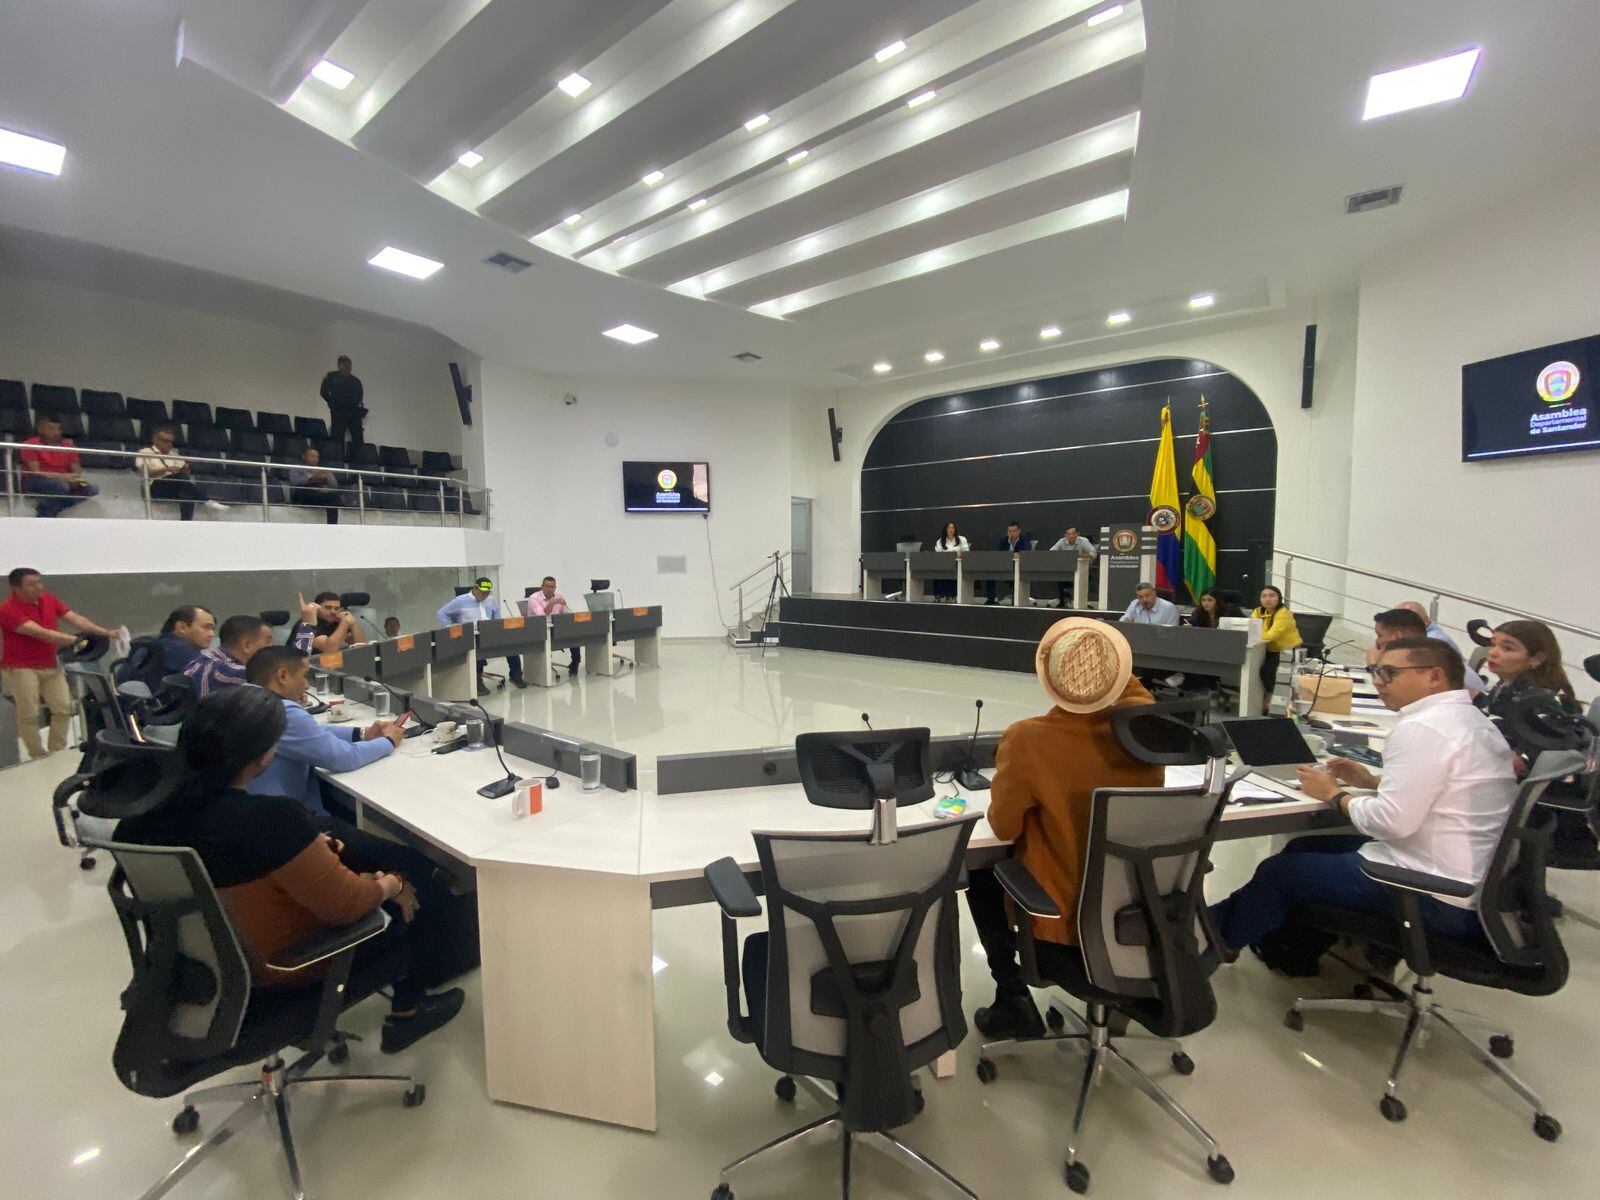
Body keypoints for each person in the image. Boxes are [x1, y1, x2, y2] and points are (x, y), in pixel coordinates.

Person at [112, 686, 464, 1053]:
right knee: (417, 885)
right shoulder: (271, 819)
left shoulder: (140, 819)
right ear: (263, 755)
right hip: (284, 966)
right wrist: (392, 884)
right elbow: (345, 906)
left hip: (193, 974)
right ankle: (407, 1014)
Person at [1210, 637, 1515, 962]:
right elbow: (1447, 788)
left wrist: (1334, 794)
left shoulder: (1423, 728)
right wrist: (1372, 781)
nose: (1378, 682)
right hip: (1471, 883)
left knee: (1281, 871)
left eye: (1389, 673)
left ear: (1434, 676)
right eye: (1375, 672)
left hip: (1432, 893)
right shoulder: (1469, 720)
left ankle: (1216, 943)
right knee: (1302, 848)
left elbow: (1391, 822)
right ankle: (1219, 927)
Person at [965, 618, 1163, 1036]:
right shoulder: (1148, 732)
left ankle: (1012, 998)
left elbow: (1002, 827)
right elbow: (1137, 700)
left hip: (1064, 934)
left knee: (980, 871)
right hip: (1145, 923)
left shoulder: (1029, 739)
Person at [245, 645, 403, 815]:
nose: (306, 684)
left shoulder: (247, 698)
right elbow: (343, 758)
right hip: (283, 819)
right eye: (304, 676)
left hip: (253, 811)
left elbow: (312, 731)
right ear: (282, 676)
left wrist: (363, 734)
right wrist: (388, 741)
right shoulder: (281, 710)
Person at [0, 567, 119, 758]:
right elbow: (39, 632)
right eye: (32, 584)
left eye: (39, 582)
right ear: (16, 587)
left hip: (50, 664)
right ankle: (37, 754)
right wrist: (74, 640)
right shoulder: (7, 610)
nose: (39, 587)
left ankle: (57, 751)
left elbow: (75, 619)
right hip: (21, 667)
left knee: (63, 708)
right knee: (29, 713)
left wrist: (104, 632)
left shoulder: (49, 600)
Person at [185, 598, 316, 697]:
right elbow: (292, 667)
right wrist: (308, 625)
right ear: (246, 645)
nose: (270, 647)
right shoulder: (227, 672)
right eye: (267, 642)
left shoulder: (206, 659)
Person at [438, 577, 527, 692]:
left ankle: (515, 675)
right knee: (477, 650)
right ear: (475, 588)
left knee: (511, 646)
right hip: (471, 636)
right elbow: (441, 613)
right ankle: (478, 681)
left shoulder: (491, 600)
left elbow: (496, 617)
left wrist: (498, 627)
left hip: (489, 632)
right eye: (482, 591)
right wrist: (450, 627)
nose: (484, 595)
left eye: (487, 592)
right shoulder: (460, 601)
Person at [1371, 608, 1487, 694]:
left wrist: (1374, 665)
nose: (1377, 642)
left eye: (1380, 635)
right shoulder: (1427, 650)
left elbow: (1395, 693)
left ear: (1397, 636)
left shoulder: (1424, 659)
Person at [135, 422, 225, 520]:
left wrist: (185, 468)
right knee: (181, 481)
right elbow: (144, 473)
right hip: (155, 486)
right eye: (165, 441)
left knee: (186, 489)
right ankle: (205, 500)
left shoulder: (174, 455)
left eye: (171, 442)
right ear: (155, 439)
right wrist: (166, 469)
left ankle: (186, 520)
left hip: (176, 485)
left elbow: (185, 477)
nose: (169, 444)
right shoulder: (145, 452)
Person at [19, 413, 99, 518]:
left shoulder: (69, 445)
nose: (55, 432)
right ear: (40, 429)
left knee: (92, 488)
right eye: (50, 429)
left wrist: (73, 479)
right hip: (35, 480)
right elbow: (36, 471)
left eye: (58, 429)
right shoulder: (30, 444)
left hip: (64, 479)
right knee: (61, 486)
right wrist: (62, 478)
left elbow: (77, 471)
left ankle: (45, 507)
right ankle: (46, 514)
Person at [1252, 585, 1301, 714]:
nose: (1268, 599)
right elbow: (1253, 630)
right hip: (1268, 649)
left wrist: (1258, 630)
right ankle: (1267, 702)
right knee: (1261, 671)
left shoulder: (1284, 613)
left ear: (1279, 598)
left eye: (1272, 596)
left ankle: (1280, 706)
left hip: (1287, 651)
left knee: (1270, 673)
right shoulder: (1258, 611)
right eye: (1264, 596)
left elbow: (1271, 635)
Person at [525, 576, 580, 676]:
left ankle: (575, 663)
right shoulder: (533, 598)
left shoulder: (558, 596)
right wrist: (551, 603)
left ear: (555, 587)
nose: (549, 589)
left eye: (552, 586)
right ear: (542, 587)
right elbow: (542, 616)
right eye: (546, 586)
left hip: (555, 629)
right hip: (538, 631)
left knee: (574, 635)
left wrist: (563, 605)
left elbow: (565, 616)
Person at [287, 444, 346, 525]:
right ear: (304, 456)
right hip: (302, 493)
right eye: (312, 456)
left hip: (318, 493)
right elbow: (295, 482)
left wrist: (327, 478)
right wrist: (312, 476)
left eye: (317, 457)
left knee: (334, 497)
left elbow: (334, 485)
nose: (315, 459)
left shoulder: (322, 470)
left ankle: (332, 526)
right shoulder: (296, 468)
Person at [319, 355, 366, 444]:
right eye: (345, 364)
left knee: (358, 437)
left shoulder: (355, 381)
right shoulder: (332, 377)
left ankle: (357, 456)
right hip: (338, 411)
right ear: (339, 365)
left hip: (353, 412)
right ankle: (338, 457)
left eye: (349, 365)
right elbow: (324, 392)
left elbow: (360, 396)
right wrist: (332, 403)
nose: (347, 367)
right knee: (337, 437)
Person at [1047, 526, 1096, 607]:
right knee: (1059, 575)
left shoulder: (1083, 541)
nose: (1071, 536)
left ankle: (1076, 598)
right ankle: (1063, 600)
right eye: (1068, 534)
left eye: (1073, 533)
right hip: (1066, 569)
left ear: (1077, 534)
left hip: (1082, 569)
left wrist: (1076, 555)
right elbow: (1051, 553)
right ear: (1065, 535)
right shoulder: (1062, 541)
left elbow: (1093, 553)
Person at [986, 521, 1032, 604]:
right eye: (1010, 531)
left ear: (1019, 531)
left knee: (1016, 576)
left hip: (1020, 568)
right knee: (989, 574)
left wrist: (1015, 555)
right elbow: (999, 555)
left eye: (1014, 531)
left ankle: (1016, 600)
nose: (1012, 533)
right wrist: (1012, 555)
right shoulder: (1003, 540)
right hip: (1005, 566)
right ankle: (990, 599)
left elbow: (1026, 553)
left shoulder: (1024, 539)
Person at [931, 521, 967, 602]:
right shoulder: (940, 541)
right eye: (949, 528)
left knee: (954, 573)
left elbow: (966, 552)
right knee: (939, 573)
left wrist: (960, 555)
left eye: (953, 528)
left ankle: (952, 595)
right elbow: (938, 555)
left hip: (958, 565)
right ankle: (939, 596)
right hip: (944, 565)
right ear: (945, 530)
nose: (951, 530)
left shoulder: (962, 539)